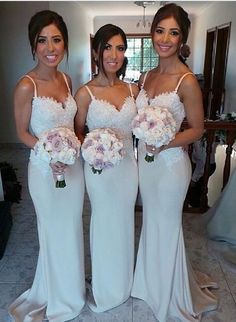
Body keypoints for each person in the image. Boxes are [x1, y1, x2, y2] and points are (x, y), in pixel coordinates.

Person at [131, 3, 218, 321]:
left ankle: (169, 293)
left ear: (182, 39)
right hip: (146, 163)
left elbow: (197, 129)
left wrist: (164, 141)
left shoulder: (187, 81)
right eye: (159, 30)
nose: (165, 38)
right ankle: (147, 283)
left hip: (169, 166)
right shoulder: (147, 75)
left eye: (173, 32)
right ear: (152, 33)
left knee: (166, 225)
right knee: (151, 222)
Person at [8, 10, 85, 321]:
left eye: (57, 40)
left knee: (72, 228)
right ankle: (56, 294)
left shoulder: (66, 79)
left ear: (65, 44)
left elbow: (73, 123)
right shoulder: (27, 86)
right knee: (53, 230)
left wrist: (76, 148)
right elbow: (22, 132)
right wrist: (49, 153)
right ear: (33, 44)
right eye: (43, 41)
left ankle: (73, 289)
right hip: (45, 169)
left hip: (73, 168)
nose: (51, 48)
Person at [74, 24, 139, 312]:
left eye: (120, 48)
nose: (114, 54)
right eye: (108, 47)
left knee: (125, 221)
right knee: (102, 222)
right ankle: (105, 285)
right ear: (97, 51)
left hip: (128, 169)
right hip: (99, 172)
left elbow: (141, 129)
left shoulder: (133, 90)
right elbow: (77, 135)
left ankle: (124, 282)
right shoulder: (85, 93)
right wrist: (93, 148)